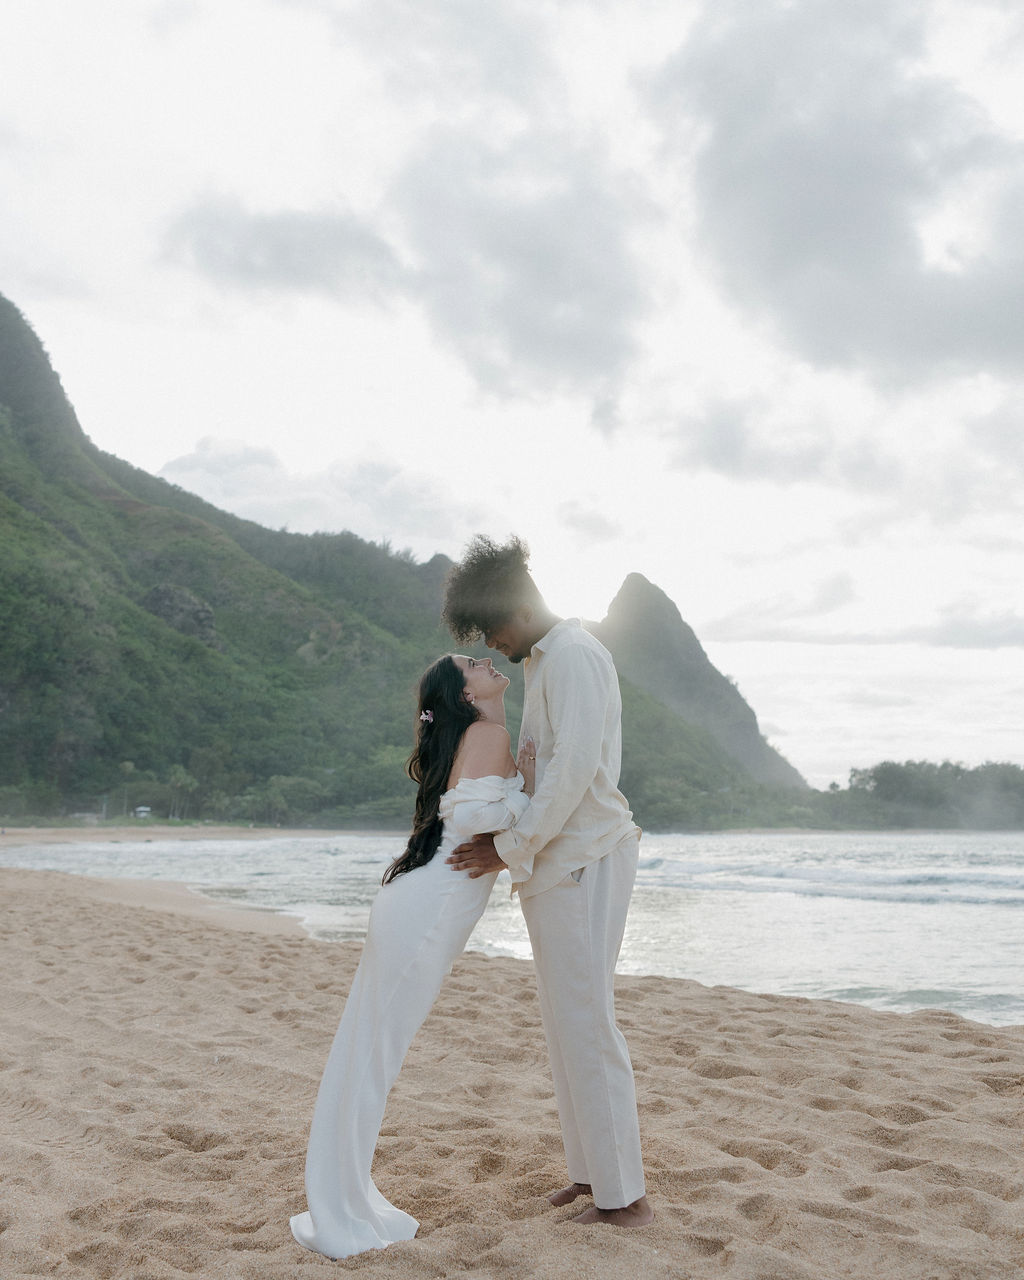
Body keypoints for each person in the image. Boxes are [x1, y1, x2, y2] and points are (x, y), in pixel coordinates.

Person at [290, 651, 534, 1259]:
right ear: (464, 695)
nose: (488, 661)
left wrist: (520, 794)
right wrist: (527, 795)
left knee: (367, 1050)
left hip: (419, 904)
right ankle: (340, 1207)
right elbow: (473, 815)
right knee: (374, 1056)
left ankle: (345, 1195)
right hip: (427, 911)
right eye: (473, 663)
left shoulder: (480, 735)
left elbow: (466, 812)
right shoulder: (490, 735)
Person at [442, 535, 653, 1228]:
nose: (491, 643)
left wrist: (510, 846)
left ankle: (625, 1198)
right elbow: (539, 770)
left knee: (588, 1022)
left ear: (520, 606)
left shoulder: (576, 655)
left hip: (585, 855)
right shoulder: (543, 661)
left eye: (491, 627)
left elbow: (573, 769)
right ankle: (592, 1175)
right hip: (554, 861)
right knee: (567, 1024)